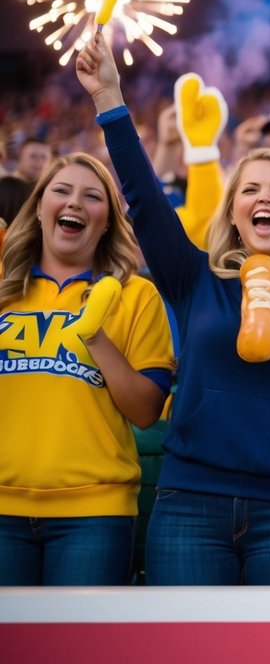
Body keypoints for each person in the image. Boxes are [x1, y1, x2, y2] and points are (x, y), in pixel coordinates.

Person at [76, 31, 270, 586]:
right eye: (251, 190)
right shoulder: (194, 277)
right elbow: (143, 198)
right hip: (191, 504)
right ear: (233, 211)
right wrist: (107, 97)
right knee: (186, 646)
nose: (265, 199)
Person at [0, 153, 173, 585]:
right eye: (61, 191)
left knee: (78, 635)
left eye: (92, 196)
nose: (74, 202)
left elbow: (146, 412)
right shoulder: (3, 289)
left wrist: (96, 338)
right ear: (39, 208)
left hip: (94, 514)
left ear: (108, 221)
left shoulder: (136, 295)